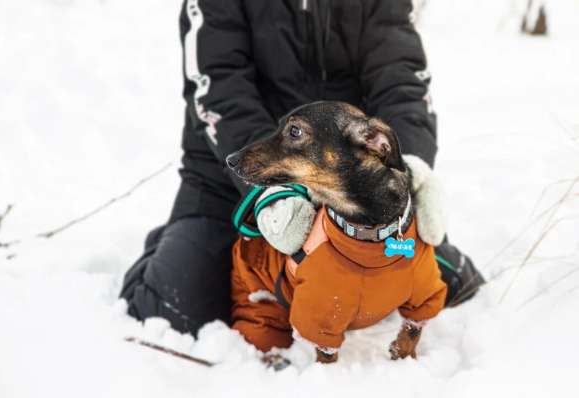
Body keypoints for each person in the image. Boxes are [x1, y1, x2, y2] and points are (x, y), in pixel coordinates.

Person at [119, 0, 484, 337]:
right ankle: (173, 243)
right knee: (172, 310)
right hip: (229, 182)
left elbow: (401, 83)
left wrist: (411, 168)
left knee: (452, 287)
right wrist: (272, 192)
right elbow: (221, 90)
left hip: (347, 190)